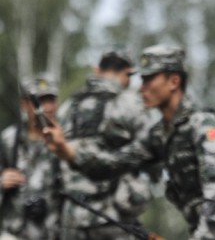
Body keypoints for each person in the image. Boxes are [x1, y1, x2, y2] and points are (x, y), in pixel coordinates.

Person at [46, 44, 215, 240]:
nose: (141, 88)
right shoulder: (160, 134)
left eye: (148, 79)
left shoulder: (204, 127)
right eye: (140, 79)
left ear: (173, 81)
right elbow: (113, 164)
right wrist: (66, 150)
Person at [56, 49, 159, 240]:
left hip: (72, 214)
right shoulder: (131, 103)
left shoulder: (69, 106)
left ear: (98, 70)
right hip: (114, 215)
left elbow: (55, 152)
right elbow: (152, 151)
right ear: (127, 73)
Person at [0, 74, 62, 240]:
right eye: (40, 101)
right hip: (15, 232)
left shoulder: (65, 140)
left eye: (51, 100)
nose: (47, 107)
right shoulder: (8, 139)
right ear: (25, 104)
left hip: (56, 233)